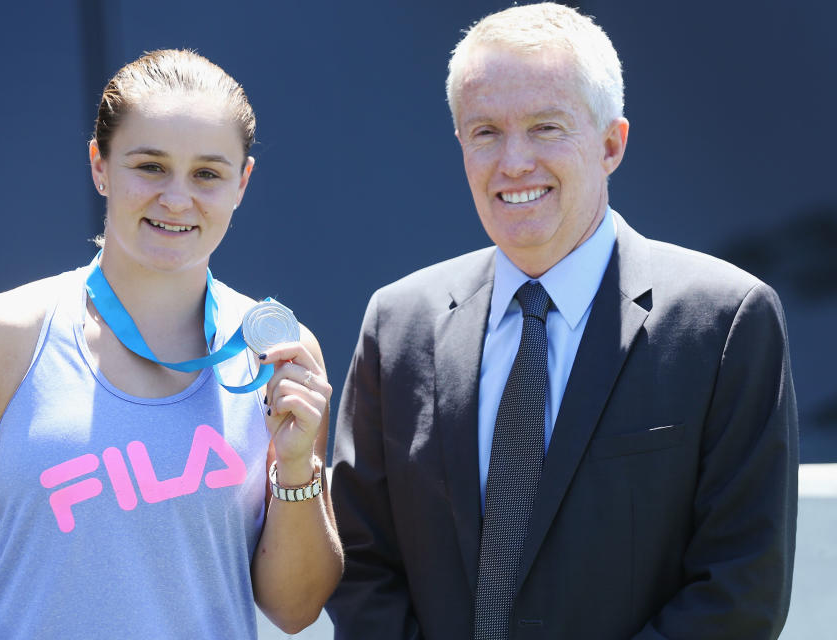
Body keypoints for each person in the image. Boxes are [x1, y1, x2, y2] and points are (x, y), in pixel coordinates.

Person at [325, 3, 798, 639]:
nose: (514, 162)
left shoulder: (724, 323)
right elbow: (361, 566)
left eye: (546, 127)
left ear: (611, 143)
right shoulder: (398, 324)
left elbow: (741, 587)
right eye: (485, 131)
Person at [0, 49, 342, 639]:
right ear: (100, 165)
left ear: (242, 182)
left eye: (207, 173)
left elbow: (295, 610)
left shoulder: (280, 355)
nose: (177, 198)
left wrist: (297, 465)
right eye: (149, 166)